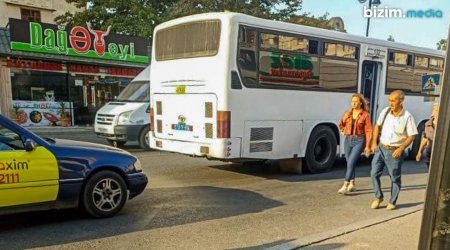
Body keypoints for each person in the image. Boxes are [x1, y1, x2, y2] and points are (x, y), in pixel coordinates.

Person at [370, 90, 418, 210]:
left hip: (394, 151)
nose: (390, 103)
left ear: (401, 101)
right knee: (373, 173)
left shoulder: (407, 116)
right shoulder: (385, 112)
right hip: (381, 148)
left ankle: (392, 201)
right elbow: (377, 126)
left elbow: (412, 136)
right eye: (389, 100)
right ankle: (378, 196)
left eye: (393, 100)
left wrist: (401, 149)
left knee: (394, 177)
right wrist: (374, 142)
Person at [337, 93, 372, 194]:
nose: (354, 104)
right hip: (348, 139)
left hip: (359, 140)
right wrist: (344, 125)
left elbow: (369, 130)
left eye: (356, 102)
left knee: (351, 161)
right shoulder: (348, 113)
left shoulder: (365, 115)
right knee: (349, 163)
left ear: (361, 103)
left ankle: (345, 184)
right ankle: (352, 183)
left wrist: (368, 146)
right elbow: (341, 125)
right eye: (352, 102)